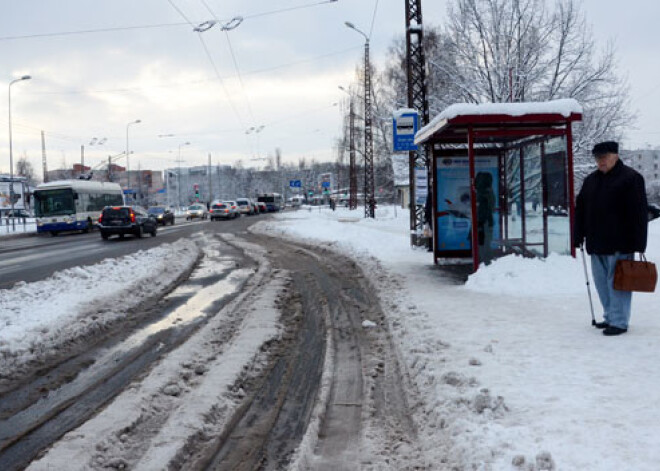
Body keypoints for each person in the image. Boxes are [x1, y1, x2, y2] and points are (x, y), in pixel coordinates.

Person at [574, 141, 648, 336]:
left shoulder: (631, 178)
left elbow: (639, 213)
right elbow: (580, 209)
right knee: (601, 283)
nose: (601, 162)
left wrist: (639, 242)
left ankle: (619, 321)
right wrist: (577, 234)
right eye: (598, 158)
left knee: (618, 283)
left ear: (615, 155)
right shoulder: (591, 180)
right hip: (596, 242)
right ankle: (610, 317)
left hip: (620, 241)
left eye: (604, 157)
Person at [475, 172, 496, 264]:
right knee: (485, 244)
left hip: (482, 223)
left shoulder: (482, 194)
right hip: (486, 222)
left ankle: (484, 262)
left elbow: (482, 210)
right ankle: (485, 260)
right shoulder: (489, 192)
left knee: (482, 244)